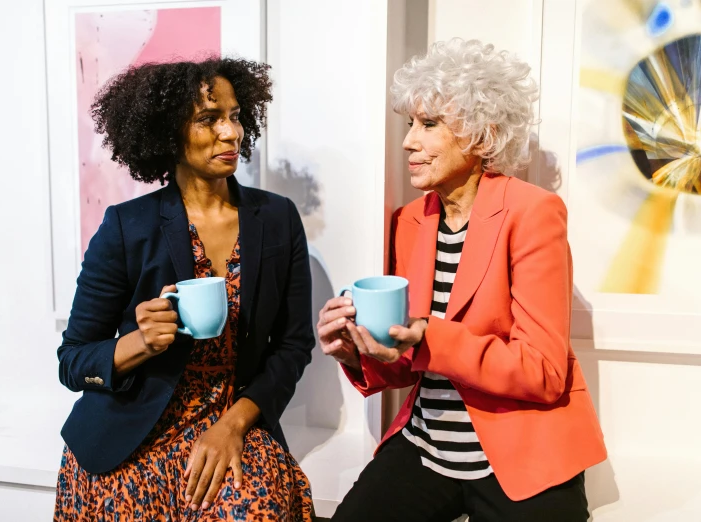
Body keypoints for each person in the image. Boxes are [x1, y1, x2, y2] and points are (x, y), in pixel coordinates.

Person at [318, 39, 607, 522]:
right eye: (410, 123)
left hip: (521, 454)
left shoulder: (532, 212)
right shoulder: (410, 219)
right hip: (426, 450)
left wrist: (430, 336)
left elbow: (543, 371)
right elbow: (405, 365)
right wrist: (356, 348)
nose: (409, 140)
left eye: (429, 125)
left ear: (481, 135)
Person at [53, 57, 315, 521]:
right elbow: (73, 359)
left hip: (233, 423)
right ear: (167, 134)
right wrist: (139, 343)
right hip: (128, 434)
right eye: (208, 120)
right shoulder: (126, 227)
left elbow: (293, 346)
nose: (231, 133)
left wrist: (234, 424)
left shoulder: (276, 219)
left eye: (234, 117)